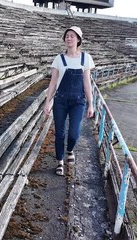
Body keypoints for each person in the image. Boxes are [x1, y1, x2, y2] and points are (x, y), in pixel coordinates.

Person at [43, 26, 95, 176]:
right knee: (59, 133)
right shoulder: (59, 59)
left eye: (72, 36)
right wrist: (47, 102)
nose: (69, 38)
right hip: (60, 101)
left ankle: (70, 150)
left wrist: (91, 104)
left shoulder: (86, 58)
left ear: (78, 39)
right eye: (67, 36)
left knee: (74, 134)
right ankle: (59, 161)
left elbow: (87, 82)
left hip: (78, 101)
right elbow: (53, 83)